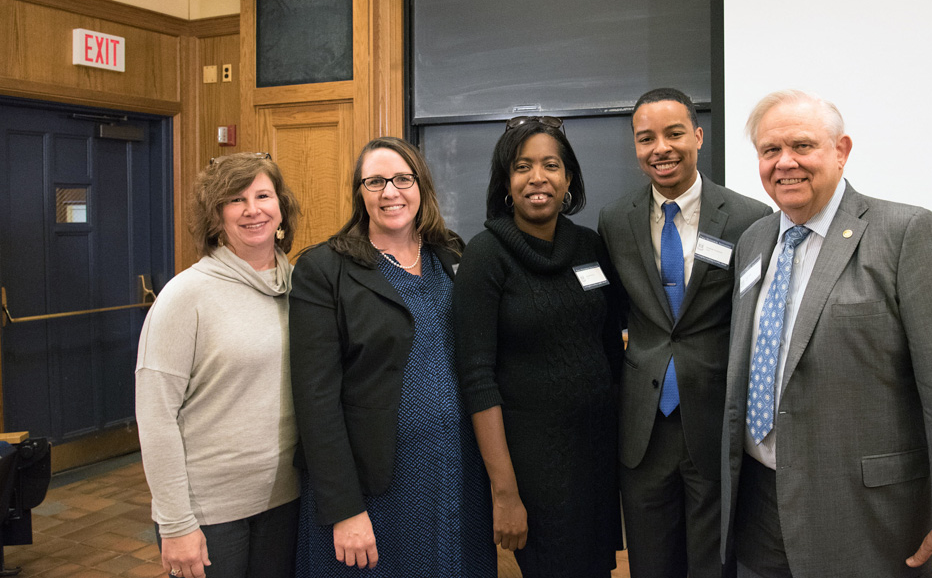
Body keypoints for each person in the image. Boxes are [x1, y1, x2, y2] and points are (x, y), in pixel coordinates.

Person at [720, 90, 932, 578]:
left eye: (802, 146)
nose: (785, 163)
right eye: (769, 151)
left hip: (866, 518)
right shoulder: (755, 240)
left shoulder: (906, 233)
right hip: (758, 504)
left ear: (841, 151)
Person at [289, 137, 495, 578]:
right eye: (376, 181)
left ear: (421, 186)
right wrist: (344, 509)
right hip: (376, 486)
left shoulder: (452, 254)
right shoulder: (324, 269)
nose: (390, 192)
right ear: (359, 193)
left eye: (403, 179)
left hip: (458, 474)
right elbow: (315, 400)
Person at [597, 88, 771, 578]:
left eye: (674, 133)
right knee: (650, 564)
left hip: (714, 421)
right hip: (643, 429)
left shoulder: (748, 218)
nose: (661, 148)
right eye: (645, 138)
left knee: (714, 564)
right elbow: (616, 314)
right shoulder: (616, 220)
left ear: (697, 135)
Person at [454, 116, 623, 577]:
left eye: (551, 165)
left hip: (596, 458)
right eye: (523, 166)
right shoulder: (485, 256)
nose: (538, 178)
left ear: (568, 178)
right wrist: (504, 491)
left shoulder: (590, 246)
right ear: (507, 182)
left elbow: (611, 352)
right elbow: (476, 377)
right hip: (532, 469)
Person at [136, 152, 302, 578]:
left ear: (281, 207)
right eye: (235, 199)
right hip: (209, 512)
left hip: (286, 501)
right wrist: (175, 523)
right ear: (216, 217)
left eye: (263, 195)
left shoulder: (301, 288)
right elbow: (156, 417)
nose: (252, 210)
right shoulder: (185, 296)